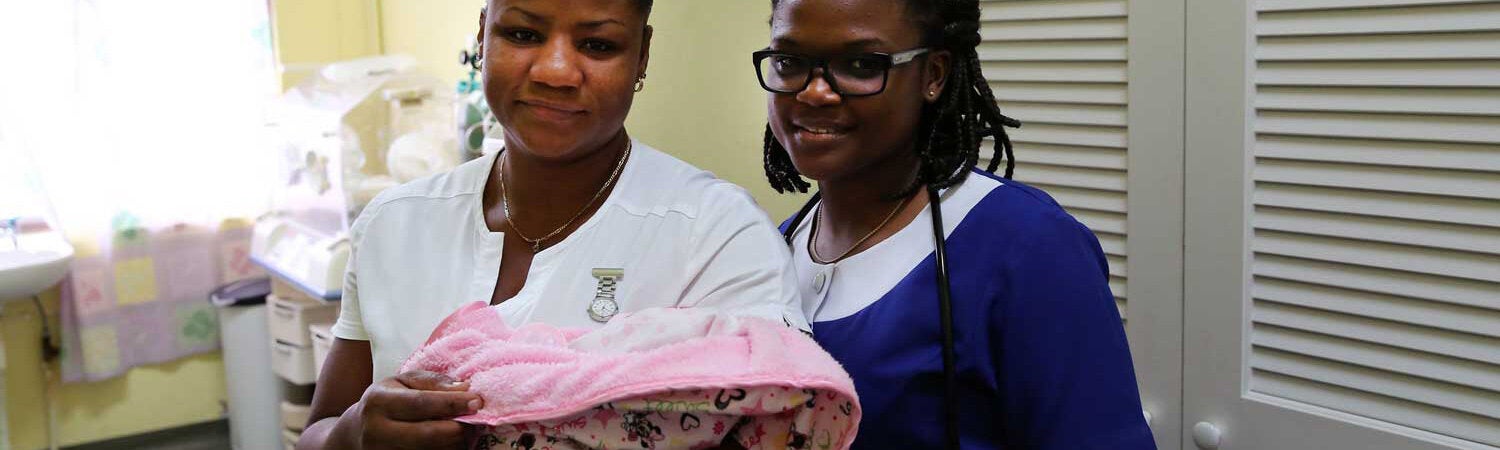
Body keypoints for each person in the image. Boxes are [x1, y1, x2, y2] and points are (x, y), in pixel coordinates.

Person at [298, 1, 808, 448]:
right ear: (482, 35)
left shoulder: (717, 236)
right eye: (522, 34)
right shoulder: (393, 223)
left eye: (597, 44)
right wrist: (354, 433)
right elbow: (318, 432)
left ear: (642, 55)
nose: (556, 71)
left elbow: (783, 426)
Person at [755, 0, 1157, 448]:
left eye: (861, 64)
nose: (814, 92)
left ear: (934, 74)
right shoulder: (774, 248)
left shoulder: (1030, 249)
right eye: (790, 62)